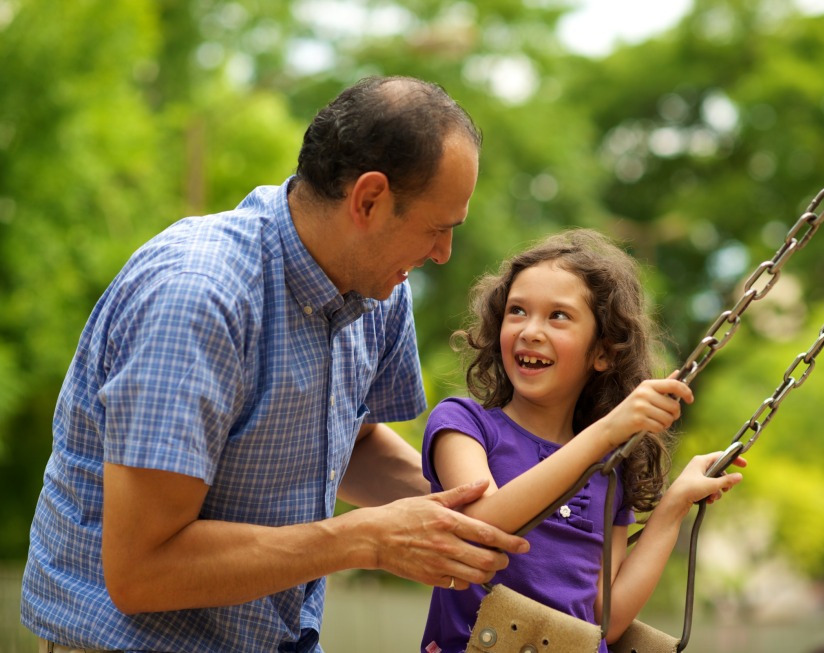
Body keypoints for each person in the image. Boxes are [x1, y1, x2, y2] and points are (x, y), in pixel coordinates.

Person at [20, 75, 529, 653]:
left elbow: (353, 447)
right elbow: (142, 569)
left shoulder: (380, 290)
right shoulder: (198, 296)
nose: (443, 254)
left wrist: (477, 516)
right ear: (368, 199)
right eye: (438, 229)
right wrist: (366, 539)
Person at [419, 228, 746, 653]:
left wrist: (675, 504)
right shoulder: (464, 424)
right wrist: (608, 431)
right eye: (517, 311)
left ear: (603, 352)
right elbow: (481, 527)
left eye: (558, 316)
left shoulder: (610, 470)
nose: (531, 330)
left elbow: (604, 621)